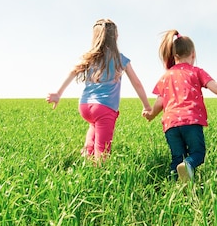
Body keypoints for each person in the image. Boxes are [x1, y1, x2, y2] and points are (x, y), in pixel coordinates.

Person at [144, 30, 217, 182]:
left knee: (177, 158)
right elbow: (216, 87)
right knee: (197, 154)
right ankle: (188, 165)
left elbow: (159, 102)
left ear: (173, 55)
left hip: (171, 124)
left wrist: (150, 115)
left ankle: (174, 187)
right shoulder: (196, 72)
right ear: (193, 54)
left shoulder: (165, 76)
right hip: (191, 120)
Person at [46, 19, 151, 160]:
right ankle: (99, 169)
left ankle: (86, 160)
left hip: (85, 106)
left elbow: (73, 71)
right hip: (104, 107)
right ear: (116, 38)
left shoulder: (90, 58)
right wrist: (146, 105)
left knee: (93, 130)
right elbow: (136, 83)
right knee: (103, 150)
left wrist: (58, 93)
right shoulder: (120, 59)